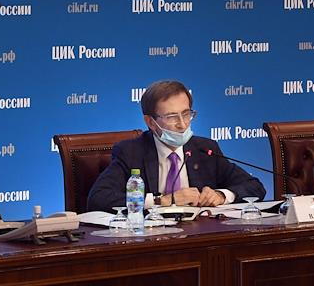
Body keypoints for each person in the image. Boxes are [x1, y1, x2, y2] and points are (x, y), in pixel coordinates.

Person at [87, 79, 266, 211]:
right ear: (150, 122)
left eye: (186, 114)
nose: (182, 124)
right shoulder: (131, 152)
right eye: (172, 117)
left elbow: (254, 187)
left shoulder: (205, 149)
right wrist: (162, 201)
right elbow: (99, 198)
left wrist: (221, 195)